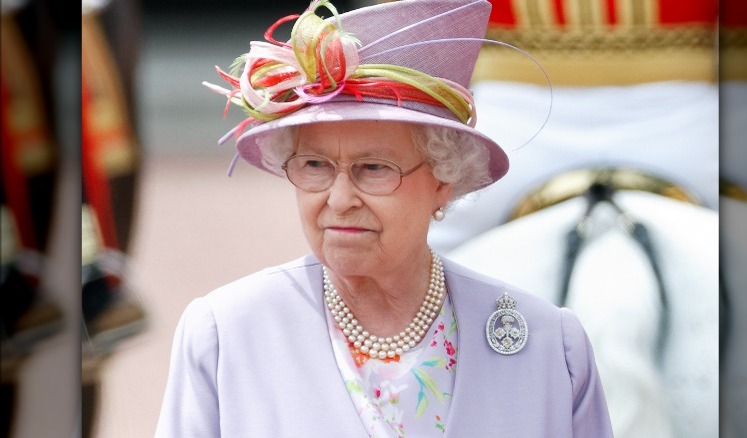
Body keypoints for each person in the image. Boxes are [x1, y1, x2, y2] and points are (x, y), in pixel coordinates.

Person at [155, 0, 613, 436]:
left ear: (443, 180)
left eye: (373, 169)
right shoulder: (224, 335)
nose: (339, 199)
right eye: (314, 166)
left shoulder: (549, 347)